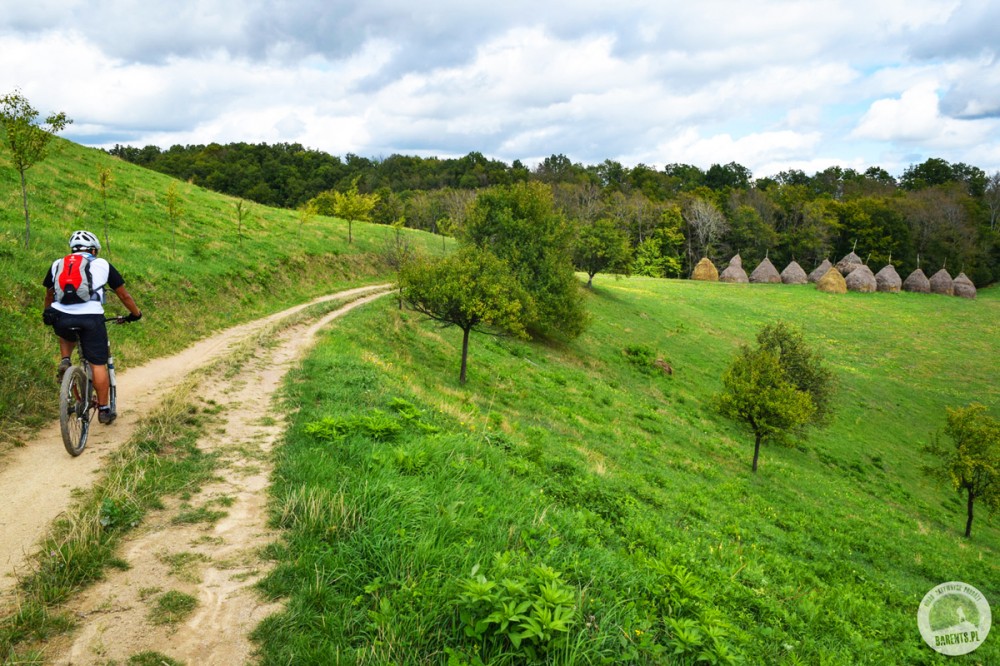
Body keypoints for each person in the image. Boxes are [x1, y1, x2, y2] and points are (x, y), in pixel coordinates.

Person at [42, 230, 142, 424]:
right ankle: (104, 409)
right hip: (91, 318)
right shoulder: (102, 264)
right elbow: (124, 295)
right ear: (94, 250)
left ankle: (65, 361)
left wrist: (48, 312)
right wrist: (136, 314)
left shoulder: (57, 264)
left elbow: (49, 294)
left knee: (65, 327)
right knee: (98, 364)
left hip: (61, 316)